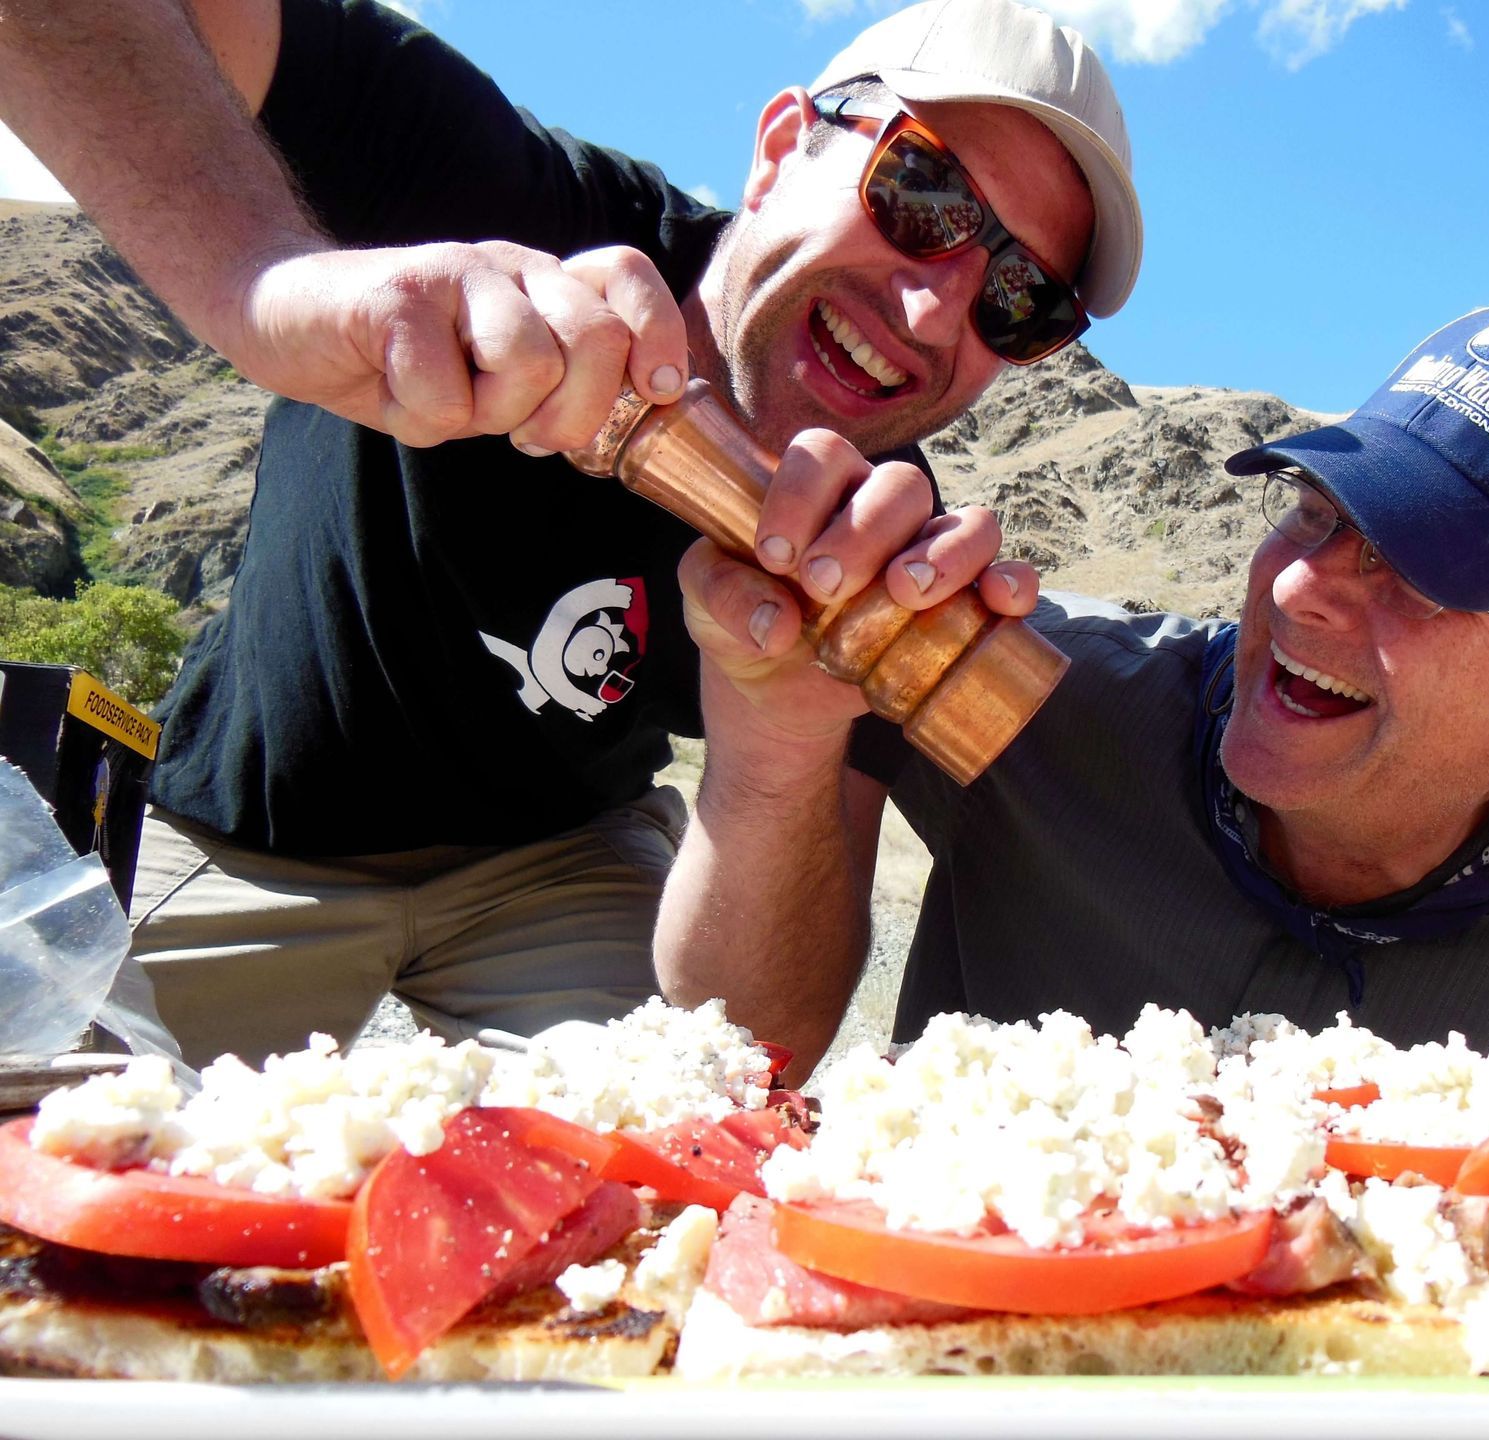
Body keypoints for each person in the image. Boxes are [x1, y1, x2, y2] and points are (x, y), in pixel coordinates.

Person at [0, 0, 1140, 1065]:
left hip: (561, 858)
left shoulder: (882, 527)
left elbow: (764, 1042)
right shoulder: (502, 196)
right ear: (783, 145)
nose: (936, 308)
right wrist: (266, 284)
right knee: (67, 1154)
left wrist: (775, 758)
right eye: (924, 194)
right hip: (256, 822)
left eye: (1021, 299)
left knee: (687, 1153)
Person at [657, 296, 1489, 1094]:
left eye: (1429, 572)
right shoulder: (1028, 693)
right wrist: (773, 747)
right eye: (1317, 510)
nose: (1308, 586)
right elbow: (730, 1052)